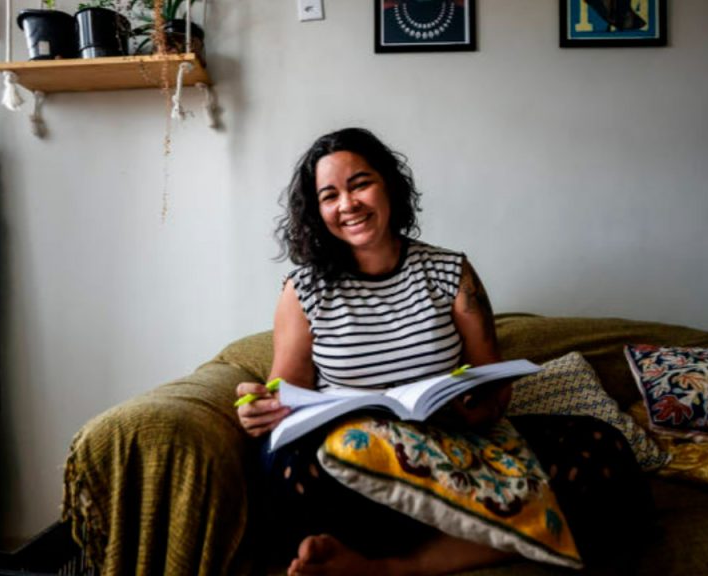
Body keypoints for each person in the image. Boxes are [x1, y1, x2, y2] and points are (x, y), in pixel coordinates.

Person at [236, 128, 652, 575]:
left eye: (360, 184)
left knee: (602, 447)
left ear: (389, 185)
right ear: (317, 212)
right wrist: (260, 406)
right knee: (289, 467)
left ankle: (394, 565)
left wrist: (480, 409)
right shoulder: (304, 289)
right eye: (329, 195)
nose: (348, 204)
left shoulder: (451, 271)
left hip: (447, 445)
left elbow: (493, 382)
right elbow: (286, 393)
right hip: (355, 451)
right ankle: (476, 532)